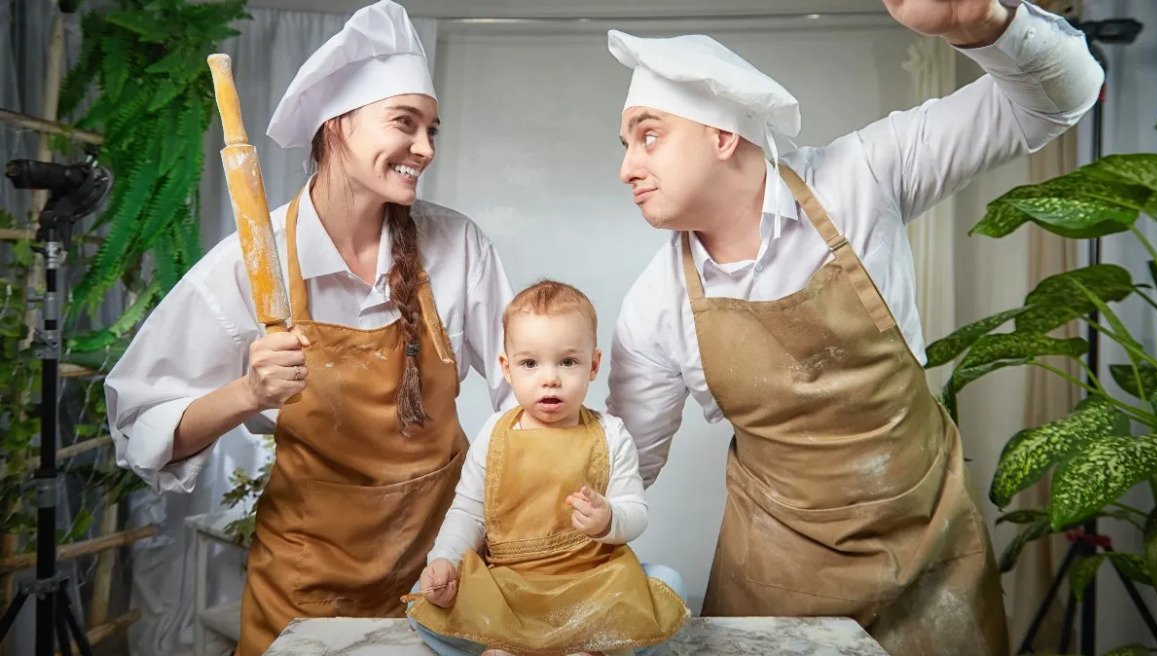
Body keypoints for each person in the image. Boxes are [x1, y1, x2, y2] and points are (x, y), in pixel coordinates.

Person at [603, 1, 1104, 654]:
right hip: (775, 589)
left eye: (648, 135)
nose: (627, 169)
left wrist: (985, 19)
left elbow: (1062, 98)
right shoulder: (654, 307)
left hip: (934, 563)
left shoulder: (862, 178)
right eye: (626, 145)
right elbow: (625, 471)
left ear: (722, 135)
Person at [103, 2, 514, 654]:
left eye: (433, 129)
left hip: (443, 575)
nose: (427, 148)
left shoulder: (456, 246)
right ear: (337, 126)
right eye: (404, 123)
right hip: (306, 588)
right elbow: (141, 422)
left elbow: (523, 391)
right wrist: (248, 394)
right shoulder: (251, 260)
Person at [406, 281, 689, 656]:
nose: (550, 377)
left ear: (593, 366)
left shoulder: (610, 434)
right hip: (511, 588)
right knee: (422, 605)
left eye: (568, 361)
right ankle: (508, 645)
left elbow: (635, 512)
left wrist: (609, 519)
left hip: (588, 585)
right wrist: (444, 560)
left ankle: (584, 647)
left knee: (668, 585)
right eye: (530, 363)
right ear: (507, 368)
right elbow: (468, 512)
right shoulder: (495, 434)